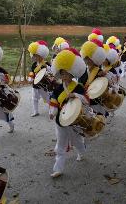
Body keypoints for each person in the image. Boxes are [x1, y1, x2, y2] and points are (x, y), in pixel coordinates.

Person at [48, 48, 88, 178]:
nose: (64, 76)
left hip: (74, 120)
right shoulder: (58, 88)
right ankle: (58, 168)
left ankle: (82, 151)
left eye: (66, 73)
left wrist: (75, 94)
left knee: (77, 141)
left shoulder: (79, 87)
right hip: (60, 120)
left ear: (72, 73)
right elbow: (53, 100)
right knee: (60, 144)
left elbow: (87, 100)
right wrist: (52, 112)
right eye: (62, 73)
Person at [79, 39, 107, 115]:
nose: (87, 61)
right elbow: (80, 83)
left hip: (95, 100)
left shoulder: (100, 72)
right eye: (86, 58)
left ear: (94, 58)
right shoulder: (83, 70)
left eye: (89, 58)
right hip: (85, 100)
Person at [27, 40, 51, 117]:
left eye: (35, 55)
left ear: (40, 55)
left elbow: (51, 72)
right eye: (33, 55)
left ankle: (52, 110)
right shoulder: (34, 64)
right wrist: (30, 78)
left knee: (47, 98)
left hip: (44, 85)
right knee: (34, 98)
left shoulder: (46, 64)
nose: (33, 57)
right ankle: (35, 111)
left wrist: (48, 69)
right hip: (35, 84)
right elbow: (32, 72)